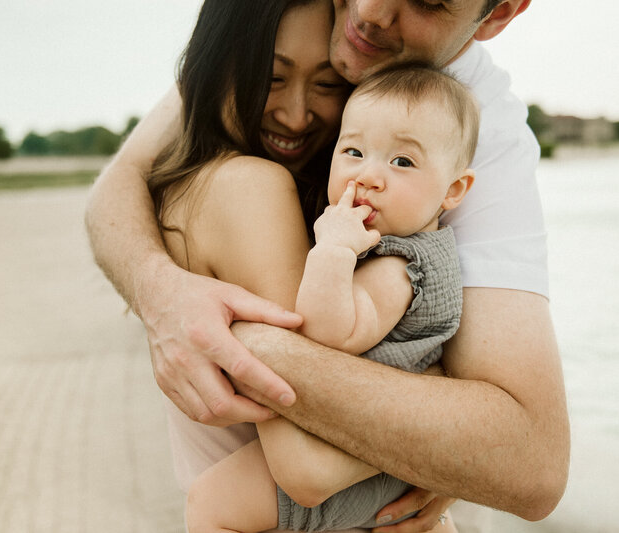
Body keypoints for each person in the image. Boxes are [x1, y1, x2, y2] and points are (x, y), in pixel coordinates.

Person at [86, 0, 570, 528]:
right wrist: (164, 297)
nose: (370, 14)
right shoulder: (249, 183)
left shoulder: (461, 121)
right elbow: (308, 466)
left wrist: (450, 459)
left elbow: (530, 464)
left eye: (329, 86)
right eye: (271, 77)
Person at [186, 64, 478, 533]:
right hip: (378, 448)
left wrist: (332, 251)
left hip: (361, 459)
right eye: (354, 151)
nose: (368, 176)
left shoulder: (401, 266)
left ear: (453, 190)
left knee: (211, 503)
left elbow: (326, 333)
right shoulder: (403, 247)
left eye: (401, 162)